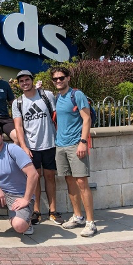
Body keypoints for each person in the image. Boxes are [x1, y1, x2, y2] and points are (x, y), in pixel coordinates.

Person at [12, 69, 63, 225]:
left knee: (49, 177)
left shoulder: (46, 95)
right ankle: (36, 211)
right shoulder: (17, 102)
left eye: (27, 80)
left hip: (50, 144)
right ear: (19, 84)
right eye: (21, 81)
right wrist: (24, 147)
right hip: (31, 147)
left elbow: (57, 117)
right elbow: (18, 127)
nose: (25, 83)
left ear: (32, 80)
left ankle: (53, 211)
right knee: (34, 179)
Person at [51, 66, 97, 237]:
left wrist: (83, 142)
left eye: (61, 78)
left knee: (81, 183)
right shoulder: (58, 97)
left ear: (68, 78)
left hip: (75, 145)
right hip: (61, 145)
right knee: (69, 181)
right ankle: (78, 216)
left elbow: (87, 119)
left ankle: (91, 222)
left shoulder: (77, 94)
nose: (58, 81)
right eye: (55, 79)